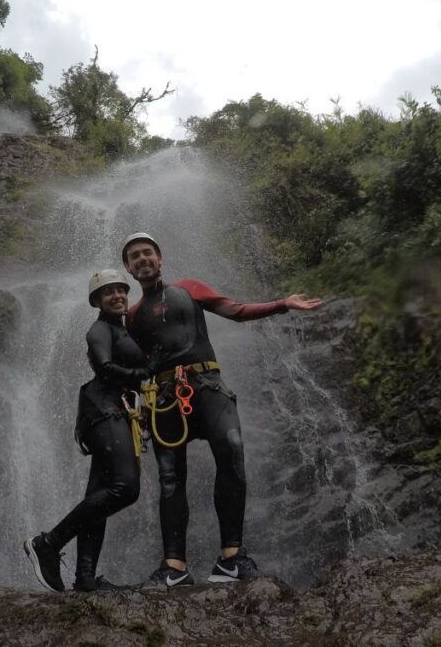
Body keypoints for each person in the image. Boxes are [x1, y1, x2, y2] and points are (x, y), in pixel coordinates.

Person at [121, 232, 323, 587]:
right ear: (128, 267)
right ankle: (174, 567)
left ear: (160, 258)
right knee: (170, 478)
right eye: (134, 256)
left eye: (147, 253)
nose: (142, 259)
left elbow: (236, 310)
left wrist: (282, 303)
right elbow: (135, 367)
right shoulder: (132, 315)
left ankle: (231, 558)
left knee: (231, 452)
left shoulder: (189, 288)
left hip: (207, 386)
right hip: (164, 398)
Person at [23, 269, 152, 592]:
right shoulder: (99, 330)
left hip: (111, 411)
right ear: (96, 300)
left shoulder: (120, 329)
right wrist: (147, 370)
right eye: (108, 292)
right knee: (126, 488)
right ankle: (48, 542)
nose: (117, 296)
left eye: (121, 290)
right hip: (104, 411)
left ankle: (85, 577)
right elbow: (106, 367)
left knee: (98, 496)